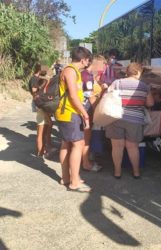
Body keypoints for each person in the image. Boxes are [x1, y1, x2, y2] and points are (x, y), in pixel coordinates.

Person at [105, 62, 154, 179]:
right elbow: (150, 103)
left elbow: (107, 96)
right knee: (133, 147)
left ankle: (117, 172)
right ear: (137, 72)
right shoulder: (144, 86)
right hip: (135, 120)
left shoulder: (117, 83)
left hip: (116, 117)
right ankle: (136, 172)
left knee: (117, 147)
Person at [55, 47, 93, 192]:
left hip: (67, 113)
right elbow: (73, 96)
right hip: (69, 113)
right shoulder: (71, 71)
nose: (88, 63)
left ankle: (66, 178)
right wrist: (85, 113)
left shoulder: (71, 70)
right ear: (83, 59)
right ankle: (75, 181)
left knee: (66, 144)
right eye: (88, 60)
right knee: (78, 144)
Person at [80, 55, 105, 172]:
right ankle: (86, 164)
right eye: (102, 66)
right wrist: (97, 112)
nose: (103, 69)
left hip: (86, 110)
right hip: (87, 111)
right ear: (97, 63)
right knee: (85, 138)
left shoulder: (87, 75)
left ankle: (85, 161)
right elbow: (89, 97)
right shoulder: (87, 76)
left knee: (85, 138)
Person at [30, 65, 55, 158]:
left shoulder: (40, 80)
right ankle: (41, 152)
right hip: (42, 106)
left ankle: (43, 149)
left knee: (45, 128)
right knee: (41, 131)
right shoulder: (38, 80)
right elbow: (35, 92)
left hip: (42, 106)